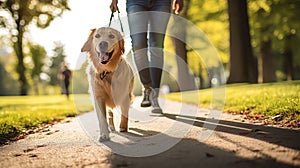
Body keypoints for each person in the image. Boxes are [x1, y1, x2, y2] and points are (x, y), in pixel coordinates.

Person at [110, 0, 184, 114]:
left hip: (162, 2)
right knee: (138, 45)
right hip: (135, 2)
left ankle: (155, 95)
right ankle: (147, 87)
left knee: (157, 48)